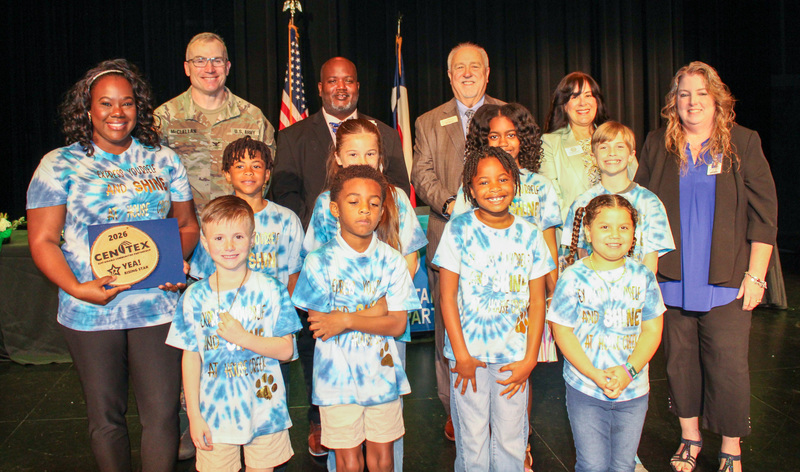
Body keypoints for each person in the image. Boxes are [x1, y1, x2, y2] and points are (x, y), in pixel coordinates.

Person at [26, 58, 199, 471]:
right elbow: (43, 239)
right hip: (89, 311)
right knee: (106, 419)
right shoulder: (59, 165)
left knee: (160, 416)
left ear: (138, 107)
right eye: (105, 103)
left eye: (126, 103)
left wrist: (175, 263)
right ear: (87, 110)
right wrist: (77, 288)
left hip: (155, 307)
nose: (117, 112)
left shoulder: (163, 160)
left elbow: (188, 225)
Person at [634, 62, 778, 472]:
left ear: (717, 99)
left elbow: (764, 215)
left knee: (728, 365)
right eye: (684, 94)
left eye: (701, 93)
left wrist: (756, 275)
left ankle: (731, 445)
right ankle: (690, 438)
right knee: (679, 363)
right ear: (673, 102)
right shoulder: (657, 144)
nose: (692, 102)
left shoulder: (744, 143)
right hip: (672, 278)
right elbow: (639, 206)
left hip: (729, 280)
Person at [303, 118, 427, 471]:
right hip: (337, 349)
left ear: (381, 158)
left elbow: (410, 260)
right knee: (345, 437)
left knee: (385, 423)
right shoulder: (328, 203)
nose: (362, 158)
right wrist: (360, 312)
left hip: (385, 332)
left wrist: (379, 309)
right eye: (353, 152)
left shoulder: (396, 199)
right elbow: (318, 277)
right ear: (338, 157)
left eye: (370, 152)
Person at [433, 146, 552, 471]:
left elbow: (538, 301)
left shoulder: (529, 234)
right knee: (472, 441)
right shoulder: (458, 231)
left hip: (514, 359)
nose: (494, 188)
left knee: (512, 440)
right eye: (483, 182)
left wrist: (530, 359)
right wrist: (462, 356)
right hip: (468, 358)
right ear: (470, 190)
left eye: (502, 179)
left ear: (515, 183)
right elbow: (447, 298)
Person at [410, 42, 504, 439]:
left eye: (475, 67)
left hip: (501, 241)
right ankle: (455, 410)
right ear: (449, 76)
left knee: (500, 321)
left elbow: (521, 165)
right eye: (459, 68)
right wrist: (452, 205)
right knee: (449, 329)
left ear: (487, 73)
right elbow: (422, 173)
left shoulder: (504, 115)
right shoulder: (429, 121)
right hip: (448, 236)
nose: (467, 73)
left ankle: (504, 408)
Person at [167, 195, 301, 472]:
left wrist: (244, 338)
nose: (229, 246)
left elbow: (286, 351)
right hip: (214, 415)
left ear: (252, 239)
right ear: (205, 242)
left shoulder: (271, 289)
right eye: (218, 239)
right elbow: (191, 358)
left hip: (265, 411)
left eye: (238, 236)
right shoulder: (194, 297)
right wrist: (193, 416)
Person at [549, 194, 665, 472]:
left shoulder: (643, 276)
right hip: (586, 389)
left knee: (624, 465)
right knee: (592, 465)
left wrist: (629, 371)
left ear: (634, 233)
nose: (615, 235)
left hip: (633, 392)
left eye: (624, 227)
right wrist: (593, 373)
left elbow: (652, 329)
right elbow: (562, 331)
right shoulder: (572, 277)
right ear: (588, 231)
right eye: (605, 227)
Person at [271, 56, 410, 229]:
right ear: (321, 88)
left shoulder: (387, 135)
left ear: (357, 87)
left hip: (376, 239)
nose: (341, 87)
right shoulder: (292, 137)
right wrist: (319, 229)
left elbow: (399, 190)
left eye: (348, 81)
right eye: (333, 81)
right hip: (315, 239)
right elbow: (285, 194)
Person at [155, 32, 276, 211]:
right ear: (187, 68)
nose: (209, 68)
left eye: (217, 61)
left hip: (236, 227)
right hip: (184, 230)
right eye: (200, 61)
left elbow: (266, 176)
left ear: (227, 67)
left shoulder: (253, 118)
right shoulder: (164, 118)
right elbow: (154, 178)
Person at [188, 136, 303, 292]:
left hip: (274, 310)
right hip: (226, 311)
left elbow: (294, 276)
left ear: (267, 174)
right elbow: (203, 277)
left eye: (256, 166)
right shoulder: (215, 219)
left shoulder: (287, 219)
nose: (248, 172)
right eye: (240, 166)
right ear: (227, 174)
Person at [562, 121, 674, 273]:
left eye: (619, 147)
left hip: (634, 291)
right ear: (593, 157)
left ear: (631, 155)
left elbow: (650, 263)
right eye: (604, 147)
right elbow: (581, 255)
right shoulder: (582, 202)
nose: (612, 153)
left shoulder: (650, 202)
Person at [540, 72, 637, 223]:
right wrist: (585, 228)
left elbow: (634, 184)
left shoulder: (616, 138)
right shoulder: (550, 143)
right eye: (574, 97)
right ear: (564, 105)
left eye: (588, 95)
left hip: (618, 231)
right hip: (572, 233)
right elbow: (551, 199)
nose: (582, 103)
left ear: (597, 101)